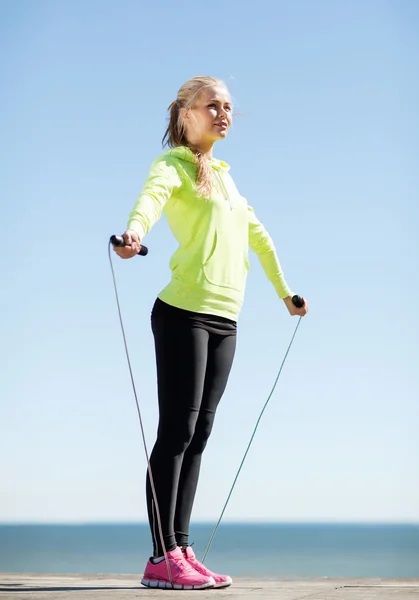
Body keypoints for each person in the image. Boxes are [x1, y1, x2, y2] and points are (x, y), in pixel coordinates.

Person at [114, 75, 308, 590]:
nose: (224, 113)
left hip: (226, 319)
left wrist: (285, 294)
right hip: (182, 313)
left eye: (227, 106)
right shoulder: (172, 166)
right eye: (212, 105)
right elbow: (151, 200)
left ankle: (180, 544)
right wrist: (134, 232)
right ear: (185, 114)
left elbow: (258, 236)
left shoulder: (225, 176)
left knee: (199, 435)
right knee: (176, 431)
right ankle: (160, 556)